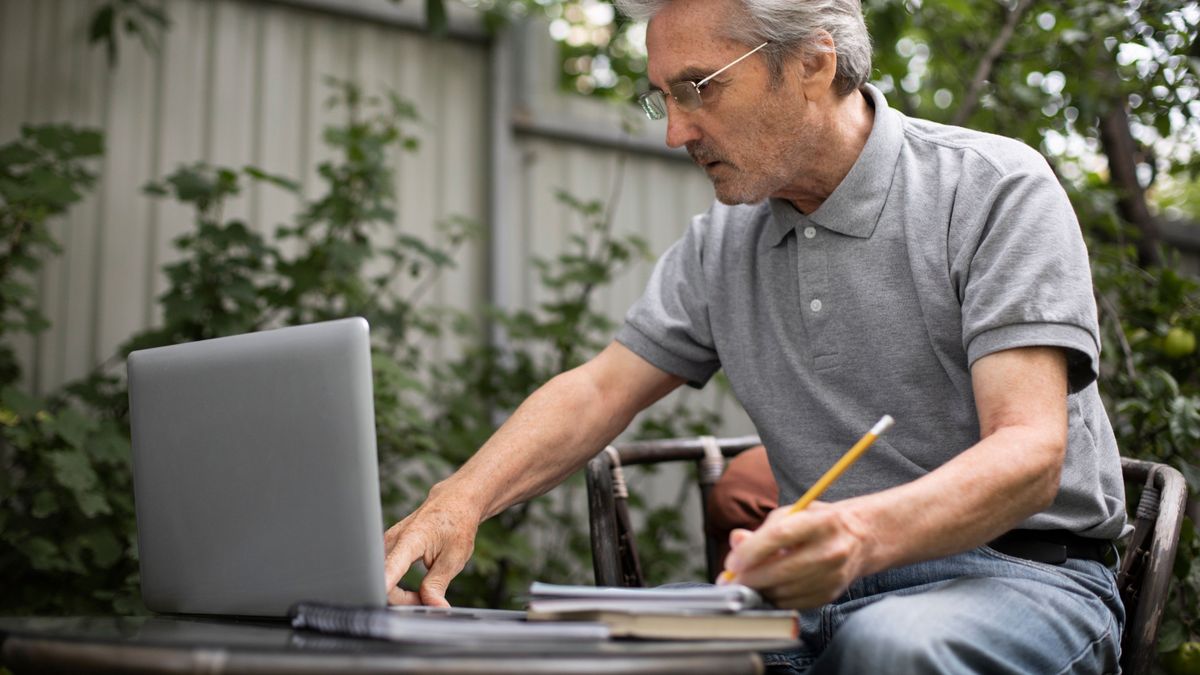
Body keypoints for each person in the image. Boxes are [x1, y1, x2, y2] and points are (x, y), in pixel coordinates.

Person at [384, 0, 1127, 671]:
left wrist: (858, 536)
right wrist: (459, 500)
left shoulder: (993, 188)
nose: (676, 130)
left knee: (889, 647)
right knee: (590, 648)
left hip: (1019, 579)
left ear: (812, 63)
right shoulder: (723, 241)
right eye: (662, 97)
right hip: (806, 603)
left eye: (698, 88)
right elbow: (599, 388)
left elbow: (1030, 452)